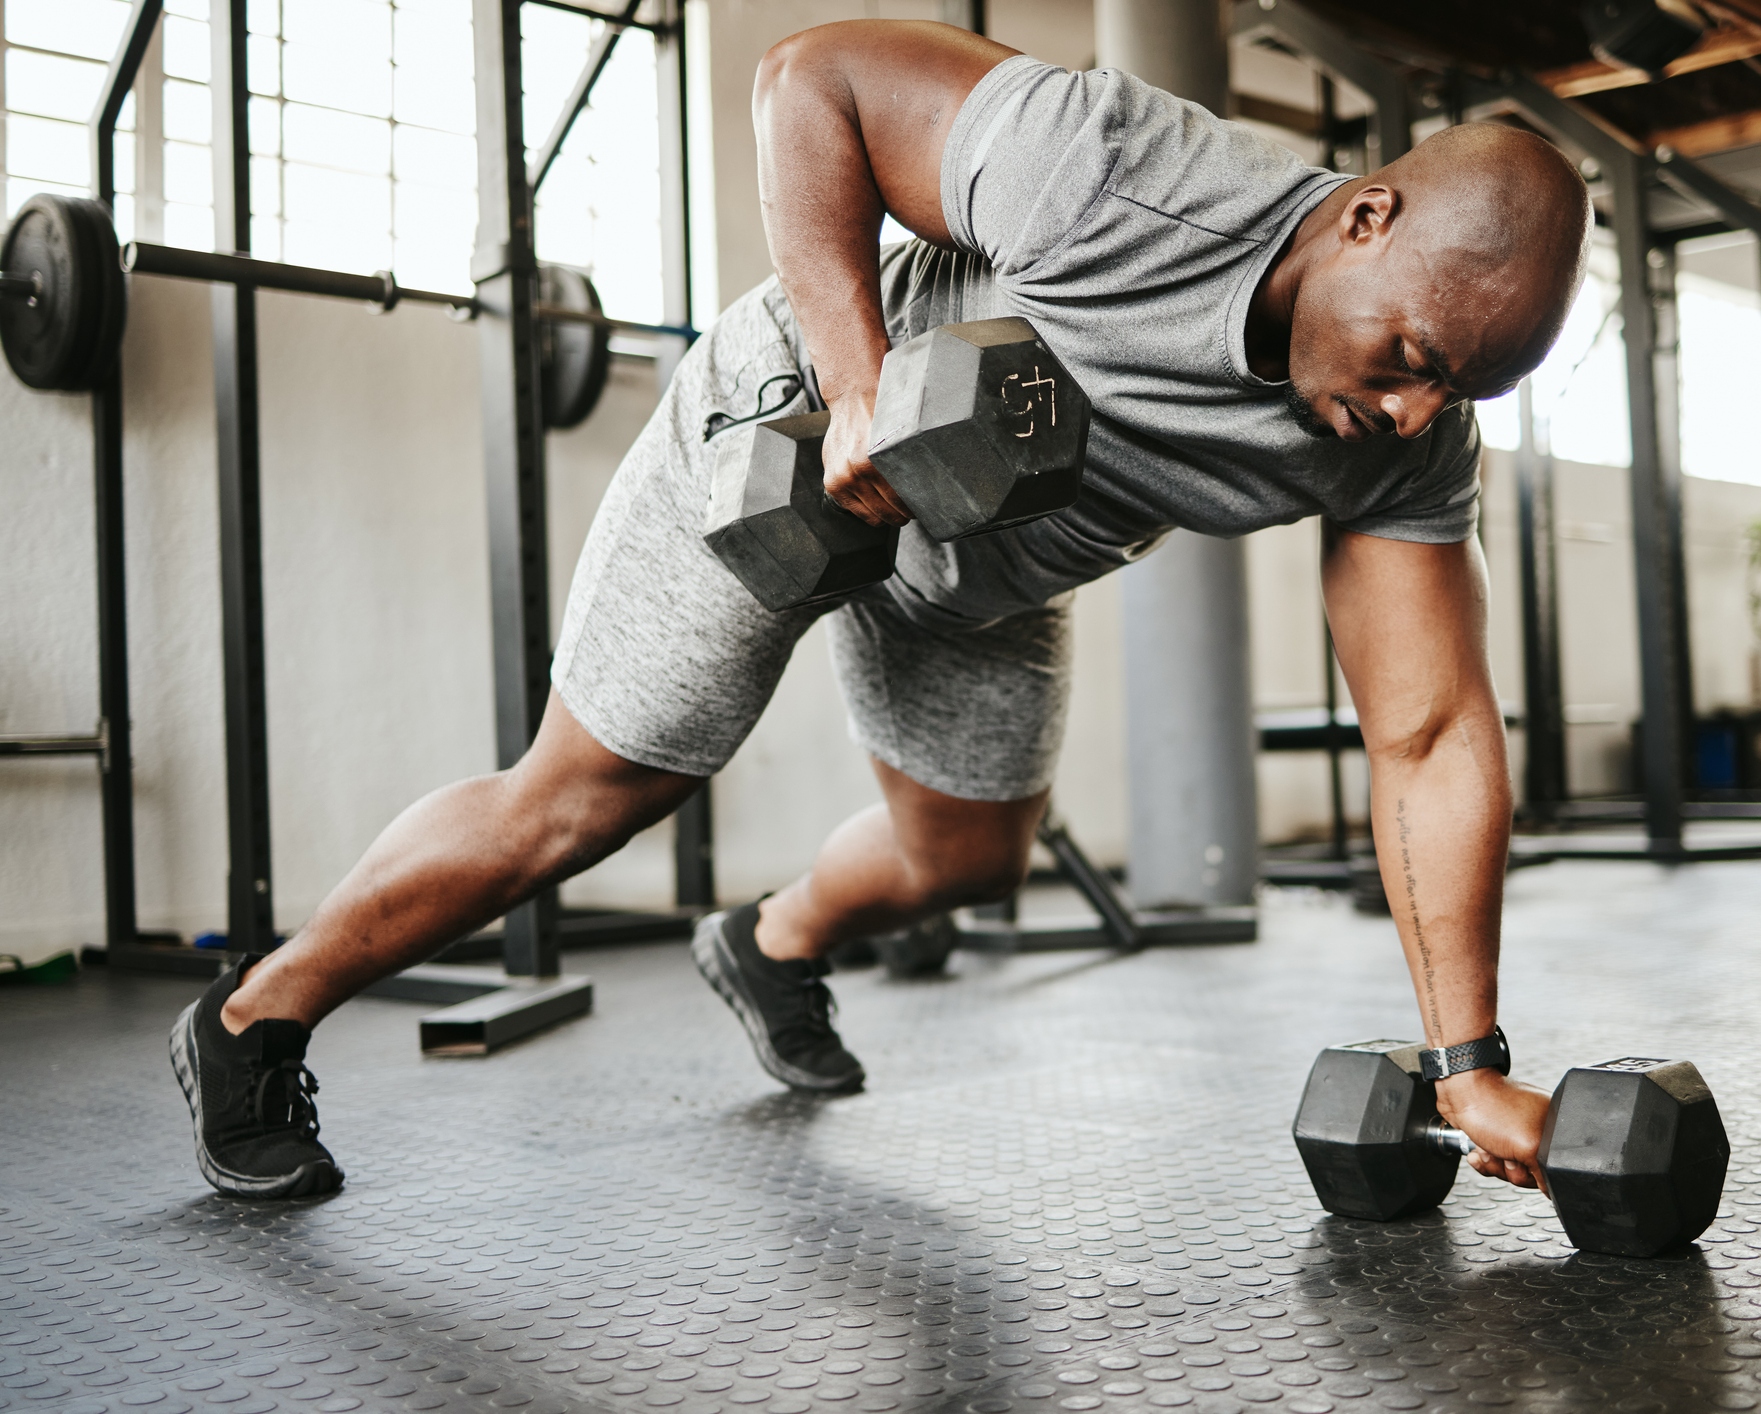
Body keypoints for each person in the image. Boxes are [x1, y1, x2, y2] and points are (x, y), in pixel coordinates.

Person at [167, 20, 1589, 1203]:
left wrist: (1464, 1059)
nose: (1407, 406)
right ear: (1367, 216)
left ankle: (772, 940)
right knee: (583, 798)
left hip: (993, 549)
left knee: (969, 853)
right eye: (1407, 351)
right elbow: (811, 79)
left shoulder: (1401, 442)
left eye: (1452, 388)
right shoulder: (1115, 173)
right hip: (789, 440)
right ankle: (252, 1019)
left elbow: (1427, 732)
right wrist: (859, 390)